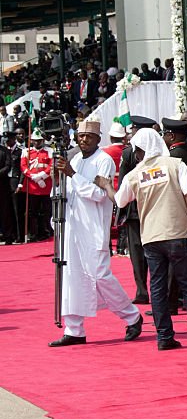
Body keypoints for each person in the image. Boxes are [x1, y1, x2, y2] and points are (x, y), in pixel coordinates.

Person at [101, 128, 187, 351]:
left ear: (141, 150)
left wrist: (108, 185)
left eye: (137, 151)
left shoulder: (134, 174)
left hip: (150, 237)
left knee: (157, 288)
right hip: (177, 233)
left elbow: (119, 202)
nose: (136, 155)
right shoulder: (175, 165)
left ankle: (164, 337)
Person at [49, 120, 143, 347]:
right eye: (81, 136)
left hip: (92, 228)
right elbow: (64, 193)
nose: (84, 140)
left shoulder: (104, 161)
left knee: (100, 275)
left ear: (98, 139)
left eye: (89, 137)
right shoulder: (75, 159)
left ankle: (132, 316)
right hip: (71, 227)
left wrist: (72, 174)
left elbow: (98, 194)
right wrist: (57, 179)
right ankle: (74, 329)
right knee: (71, 276)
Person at [117, 116, 159, 304]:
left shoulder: (128, 153)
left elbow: (123, 183)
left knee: (137, 252)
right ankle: (154, 291)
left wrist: (120, 210)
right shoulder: (160, 152)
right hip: (153, 208)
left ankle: (142, 291)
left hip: (135, 208)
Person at [20, 130, 53, 242]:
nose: (37, 143)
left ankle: (45, 231)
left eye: (39, 141)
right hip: (32, 186)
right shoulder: (26, 151)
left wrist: (42, 176)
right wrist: (34, 177)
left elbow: (51, 165)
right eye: (35, 141)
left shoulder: (49, 151)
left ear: (43, 141)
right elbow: (23, 167)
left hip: (45, 185)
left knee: (46, 210)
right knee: (32, 211)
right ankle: (33, 233)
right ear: (31, 141)